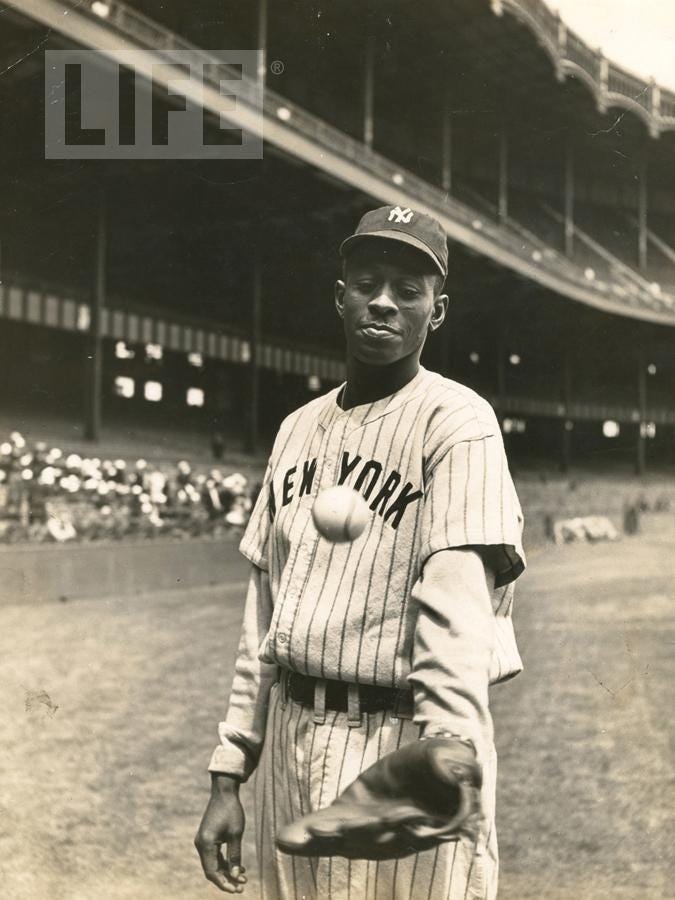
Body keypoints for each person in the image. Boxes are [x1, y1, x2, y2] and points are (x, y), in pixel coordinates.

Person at [195, 206, 526, 899]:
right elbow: (262, 621)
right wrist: (229, 772)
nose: (383, 300)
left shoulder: (457, 422)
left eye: (408, 289)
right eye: (367, 281)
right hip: (291, 739)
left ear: (436, 312)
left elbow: (456, 604)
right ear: (339, 294)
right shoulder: (294, 431)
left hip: (401, 746)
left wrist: (446, 751)